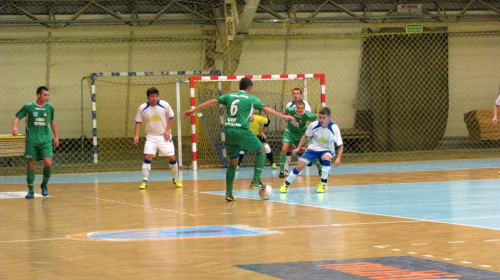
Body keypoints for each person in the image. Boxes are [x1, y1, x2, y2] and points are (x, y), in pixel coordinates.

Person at [184, 77, 295, 201]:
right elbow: (266, 110)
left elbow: (211, 102)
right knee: (262, 150)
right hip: (241, 131)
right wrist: (283, 115)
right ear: (250, 88)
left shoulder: (229, 96)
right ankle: (256, 181)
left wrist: (194, 110)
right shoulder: (251, 98)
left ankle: (229, 193)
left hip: (229, 132)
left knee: (233, 163)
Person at [279, 107, 343, 194]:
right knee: (300, 166)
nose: (321, 120)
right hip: (313, 148)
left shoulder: (334, 128)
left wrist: (338, 158)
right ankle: (285, 185)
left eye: (324, 118)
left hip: (327, 149)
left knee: (327, 158)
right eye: (320, 117)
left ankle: (322, 184)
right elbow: (305, 136)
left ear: (329, 117)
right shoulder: (313, 125)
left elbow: (340, 145)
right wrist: (298, 148)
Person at [12, 86, 59, 198]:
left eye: (48, 95)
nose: (47, 97)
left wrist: (56, 136)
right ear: (38, 95)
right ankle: (31, 190)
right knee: (31, 165)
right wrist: (15, 127)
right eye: (45, 95)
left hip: (46, 140)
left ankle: (44, 185)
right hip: (32, 140)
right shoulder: (29, 106)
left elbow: (52, 121)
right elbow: (18, 117)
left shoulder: (50, 107)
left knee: (48, 163)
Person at [134, 87, 182, 189]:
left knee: (171, 157)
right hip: (151, 136)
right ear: (148, 97)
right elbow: (138, 122)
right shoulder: (142, 108)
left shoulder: (164, 105)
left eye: (156, 96)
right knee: (148, 156)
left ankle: (175, 178)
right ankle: (145, 181)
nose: (154, 98)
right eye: (152, 96)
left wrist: (167, 130)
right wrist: (136, 135)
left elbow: (171, 117)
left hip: (164, 136)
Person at [279, 100, 322, 178]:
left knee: (311, 149)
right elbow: (286, 111)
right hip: (290, 133)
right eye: (298, 108)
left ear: (304, 108)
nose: (300, 110)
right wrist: (286, 117)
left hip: (302, 135)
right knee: (284, 148)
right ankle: (282, 171)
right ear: (296, 107)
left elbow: (317, 116)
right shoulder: (290, 110)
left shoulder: (307, 115)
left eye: (302, 108)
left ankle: (320, 169)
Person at [282, 88, 313, 174]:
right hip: (291, 130)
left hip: (301, 131)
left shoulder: (305, 104)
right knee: (288, 148)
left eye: (297, 93)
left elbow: (308, 118)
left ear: (301, 95)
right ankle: (285, 169)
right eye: (294, 93)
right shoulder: (289, 105)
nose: (295, 95)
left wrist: (301, 124)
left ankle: (300, 169)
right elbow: (286, 119)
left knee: (302, 149)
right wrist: (286, 117)